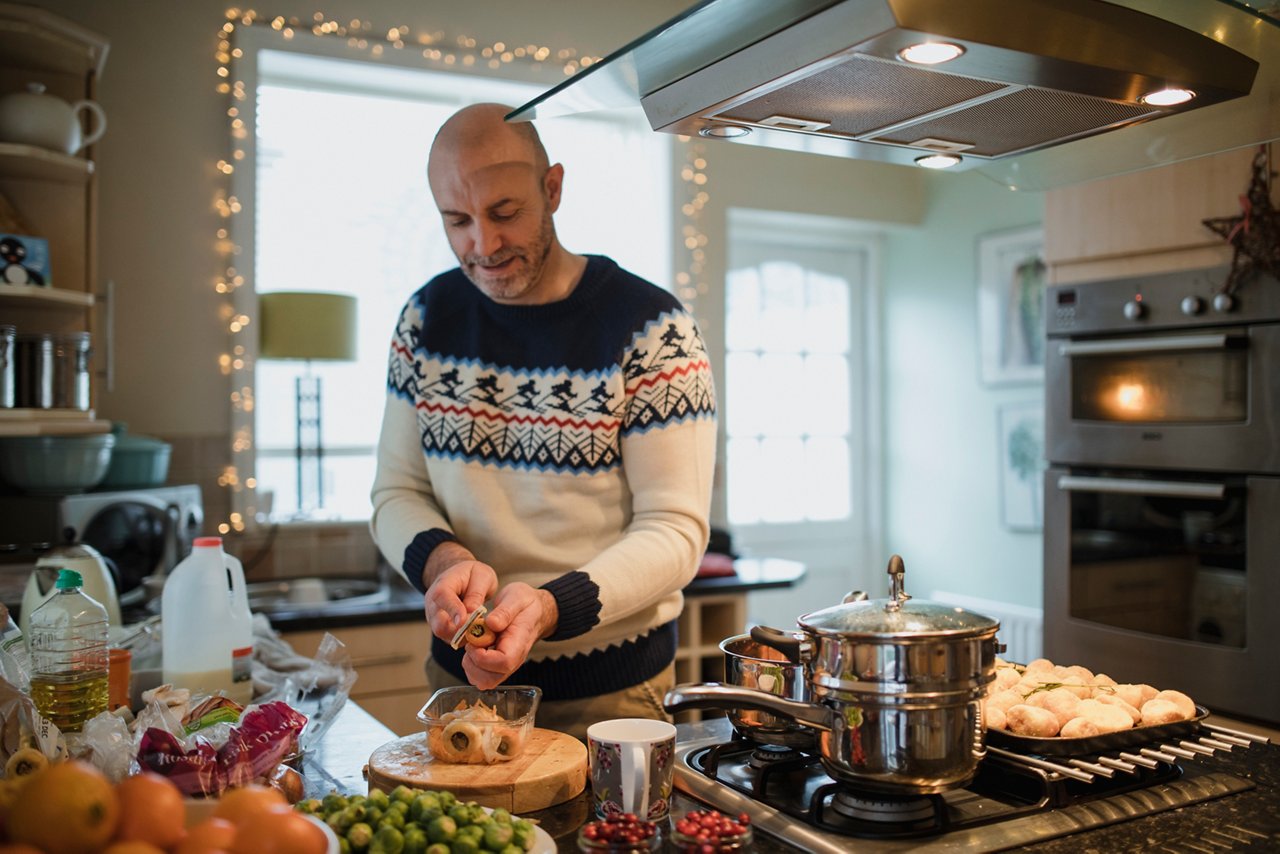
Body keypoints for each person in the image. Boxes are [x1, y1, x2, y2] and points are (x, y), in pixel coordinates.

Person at [369, 103, 717, 739]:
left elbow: (676, 530)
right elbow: (397, 492)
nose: (483, 244)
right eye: (457, 220)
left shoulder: (651, 329)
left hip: (611, 693)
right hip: (462, 685)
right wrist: (443, 562)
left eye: (505, 213)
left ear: (552, 188)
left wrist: (553, 606)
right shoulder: (426, 318)